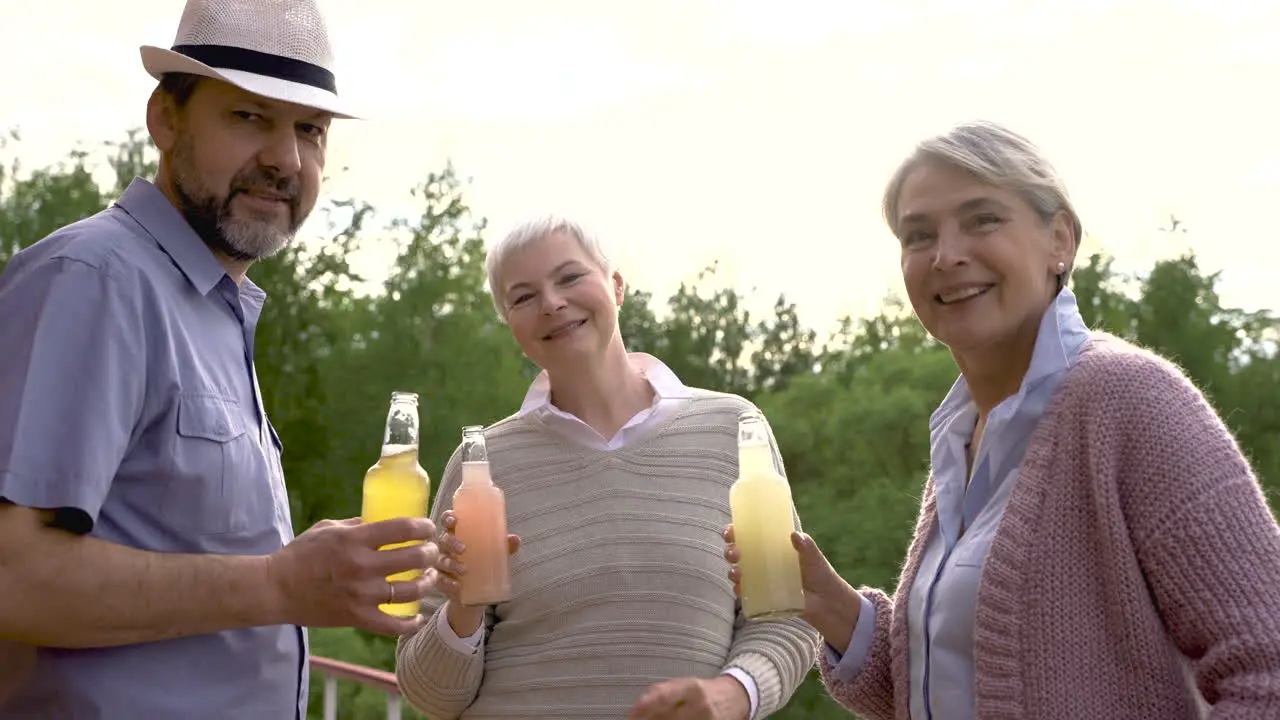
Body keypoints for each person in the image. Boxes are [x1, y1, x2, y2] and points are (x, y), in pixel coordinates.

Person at [723, 120, 1280, 719]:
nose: (947, 255)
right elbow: (965, 684)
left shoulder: (1133, 401)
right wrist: (829, 604)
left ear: (1059, 240)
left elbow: (1267, 669)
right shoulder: (963, 432)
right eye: (918, 235)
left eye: (983, 219)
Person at [0, 1, 437, 717]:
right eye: (249, 116)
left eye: (309, 130)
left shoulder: (212, 307)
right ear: (165, 120)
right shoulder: (97, 279)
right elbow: (11, 576)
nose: (286, 159)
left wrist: (310, 567)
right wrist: (279, 584)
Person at [394, 216, 820, 719]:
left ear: (616, 286)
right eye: (523, 297)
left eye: (570, 278)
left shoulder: (732, 428)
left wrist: (733, 694)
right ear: (510, 322)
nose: (552, 302)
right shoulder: (481, 464)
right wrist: (463, 609)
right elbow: (428, 695)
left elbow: (789, 614)